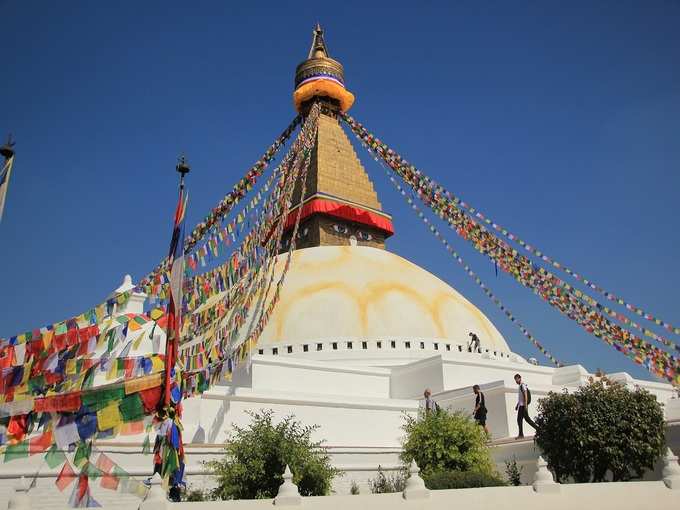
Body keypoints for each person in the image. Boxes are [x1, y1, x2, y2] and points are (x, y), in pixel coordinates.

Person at [514, 373, 537, 439]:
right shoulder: (520, 386)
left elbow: (525, 395)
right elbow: (521, 397)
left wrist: (526, 405)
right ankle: (539, 429)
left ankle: (521, 434)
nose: (516, 381)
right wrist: (517, 405)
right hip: (521, 405)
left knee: (520, 420)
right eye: (515, 380)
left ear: (520, 378)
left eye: (517, 379)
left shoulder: (523, 385)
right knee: (526, 419)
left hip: (523, 405)